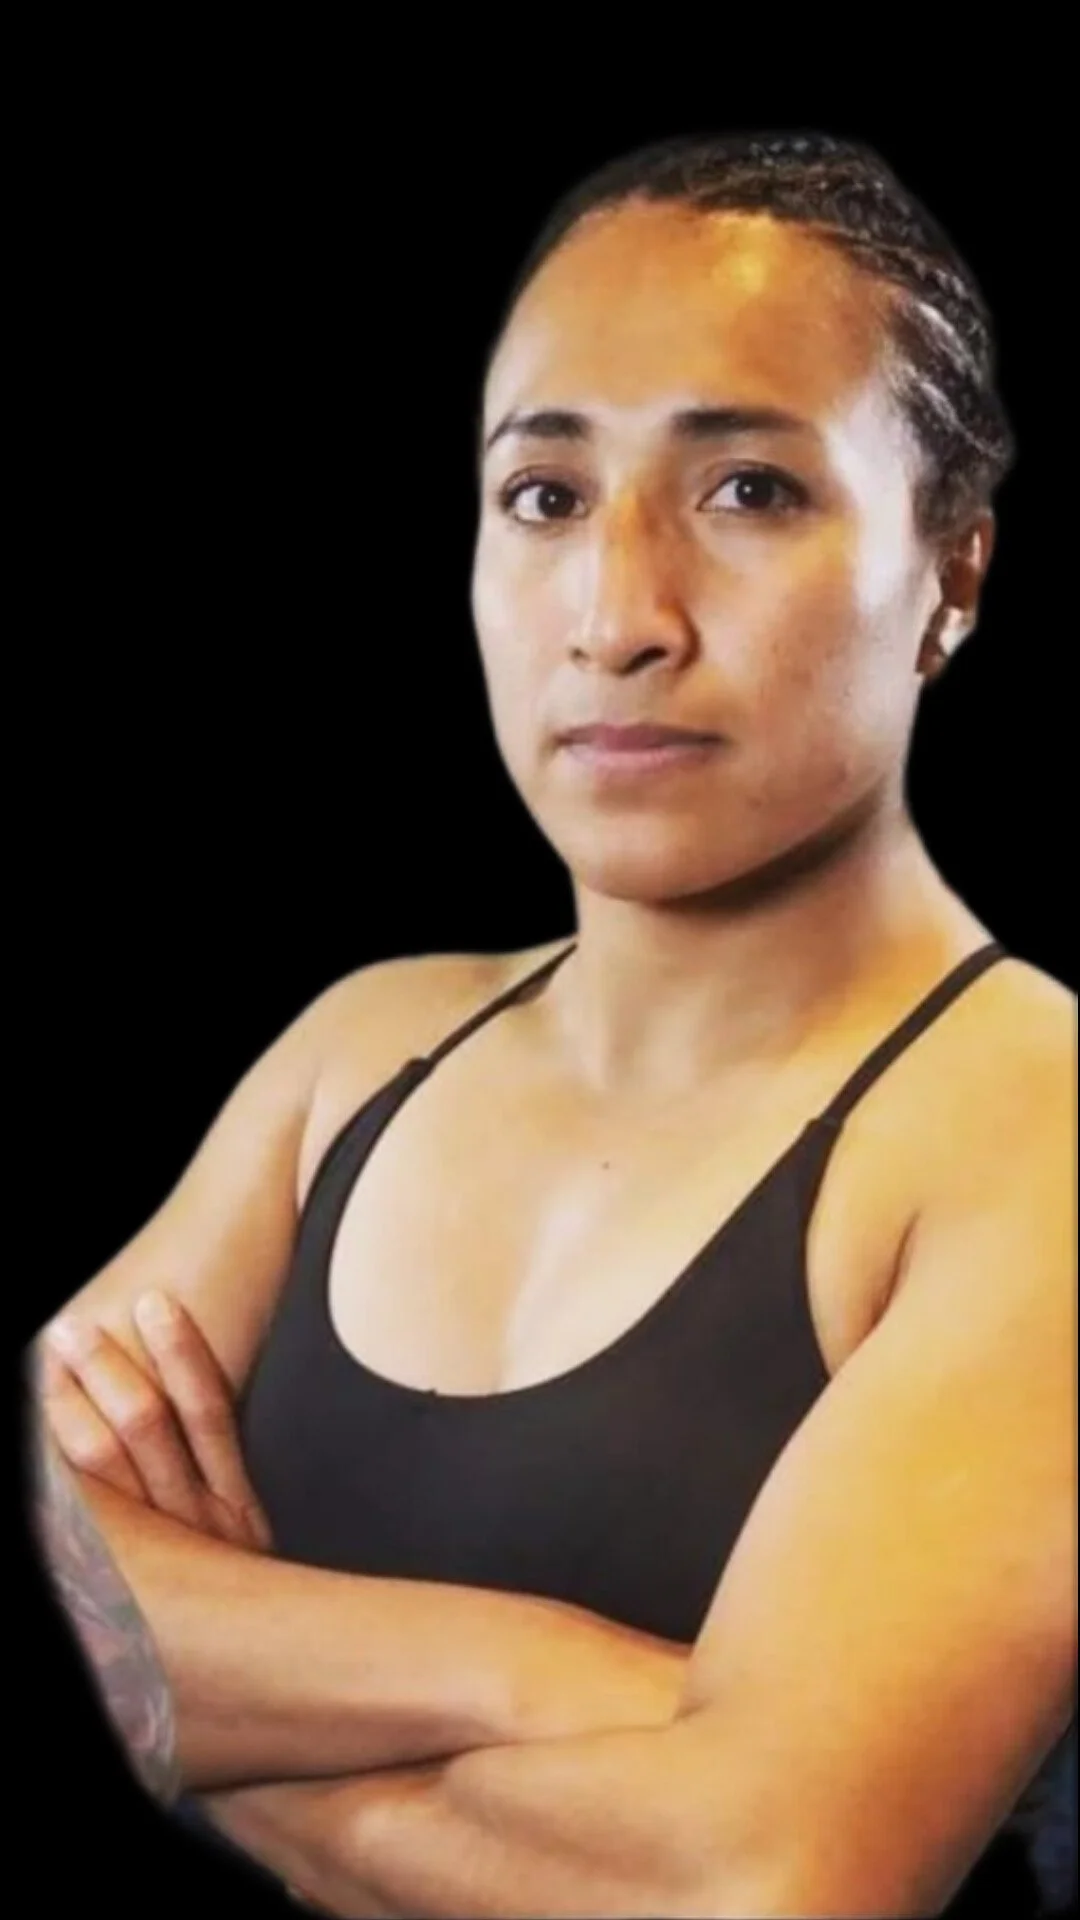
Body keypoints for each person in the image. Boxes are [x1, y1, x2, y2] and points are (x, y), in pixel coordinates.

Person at [26, 128, 1075, 1917]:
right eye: (545, 495)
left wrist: (201, 1708)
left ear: (952, 574)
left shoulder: (1032, 1127)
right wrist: (536, 1674)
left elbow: (763, 1887)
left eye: (749, 489)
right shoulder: (358, 1054)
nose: (619, 616)